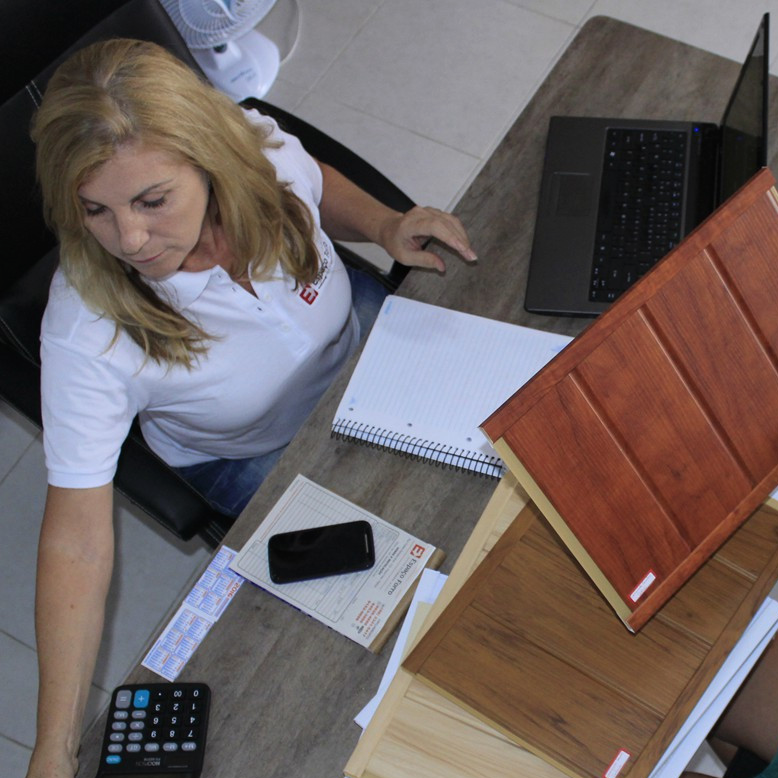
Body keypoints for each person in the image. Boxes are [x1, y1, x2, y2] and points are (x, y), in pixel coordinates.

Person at [25, 38, 476, 778]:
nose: (129, 239)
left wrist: (384, 224)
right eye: (94, 210)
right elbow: (75, 542)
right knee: (402, 602)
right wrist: (53, 745)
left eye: (152, 201)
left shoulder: (256, 147)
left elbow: (314, 179)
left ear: (209, 159)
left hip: (359, 337)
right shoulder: (86, 330)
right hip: (254, 451)